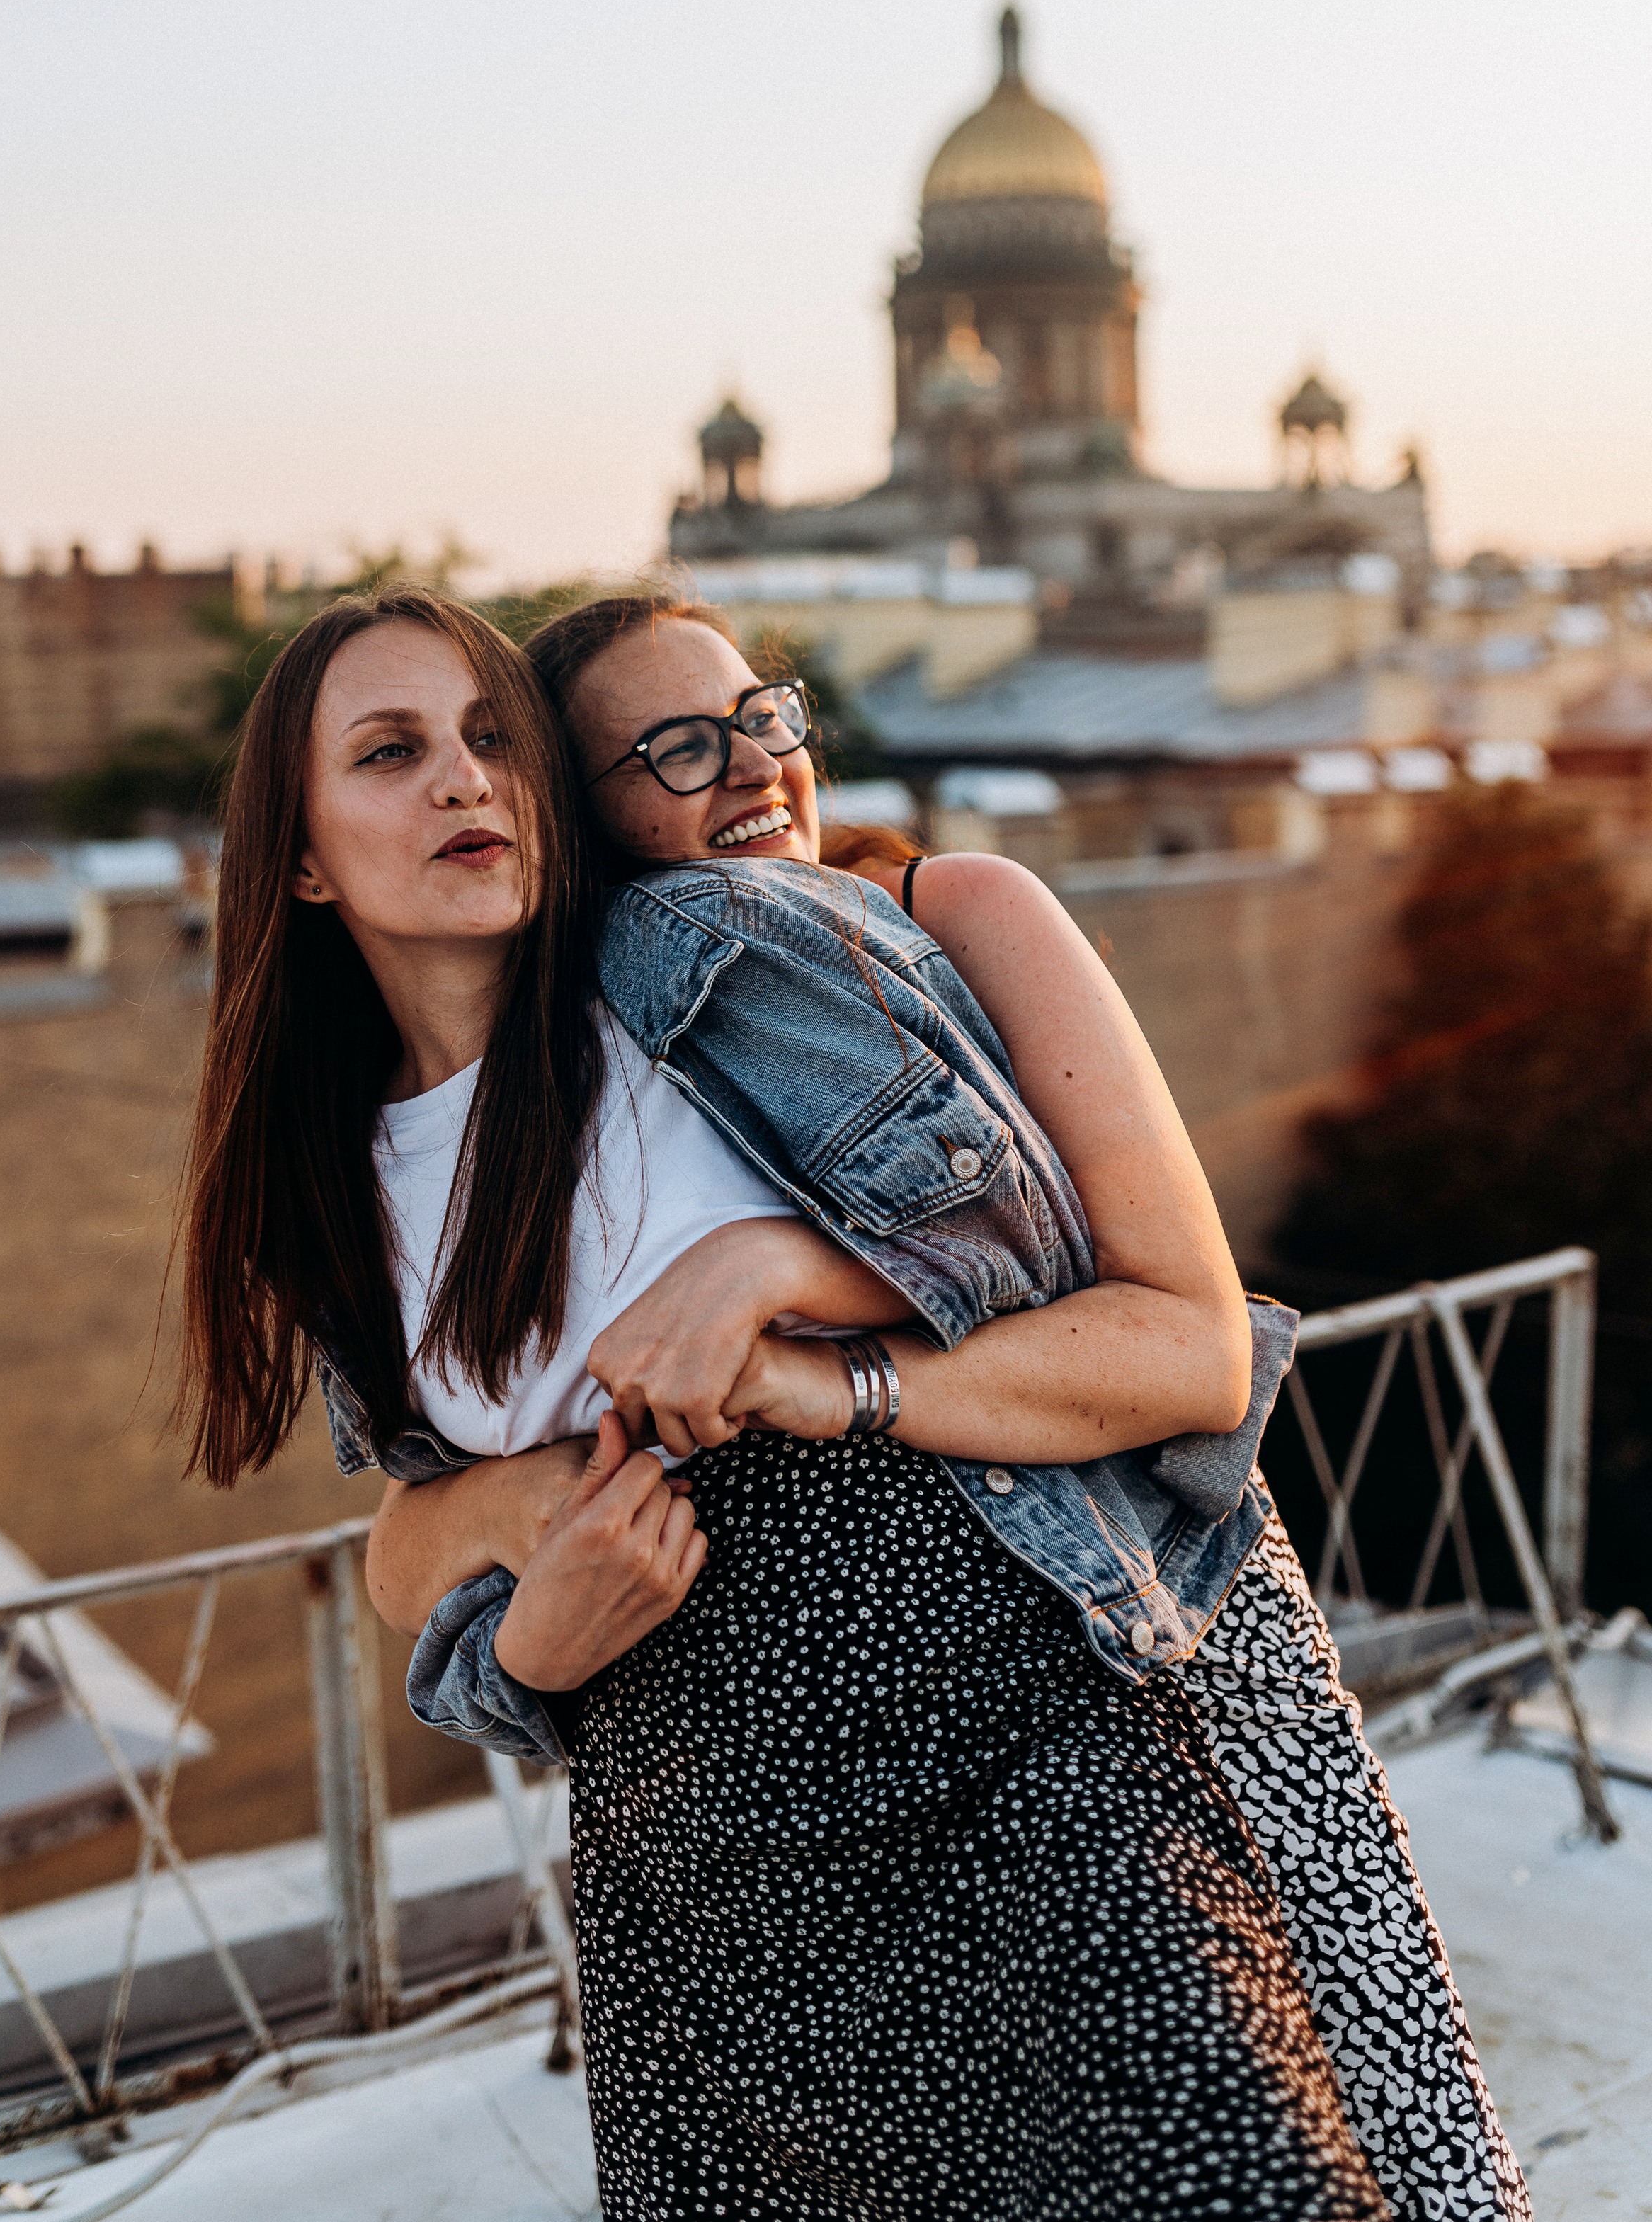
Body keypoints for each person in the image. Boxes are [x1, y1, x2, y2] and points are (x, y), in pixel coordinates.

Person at [170, 587, 1467, 2217]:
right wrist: (526, 1633)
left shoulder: (705, 951)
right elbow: (412, 1525)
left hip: (1001, 1746)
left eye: (490, 740)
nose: (461, 781)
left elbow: (1051, 1254)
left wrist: (778, 1278)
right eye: (390, 752)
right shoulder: (331, 1173)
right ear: (294, 856)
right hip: (694, 1858)